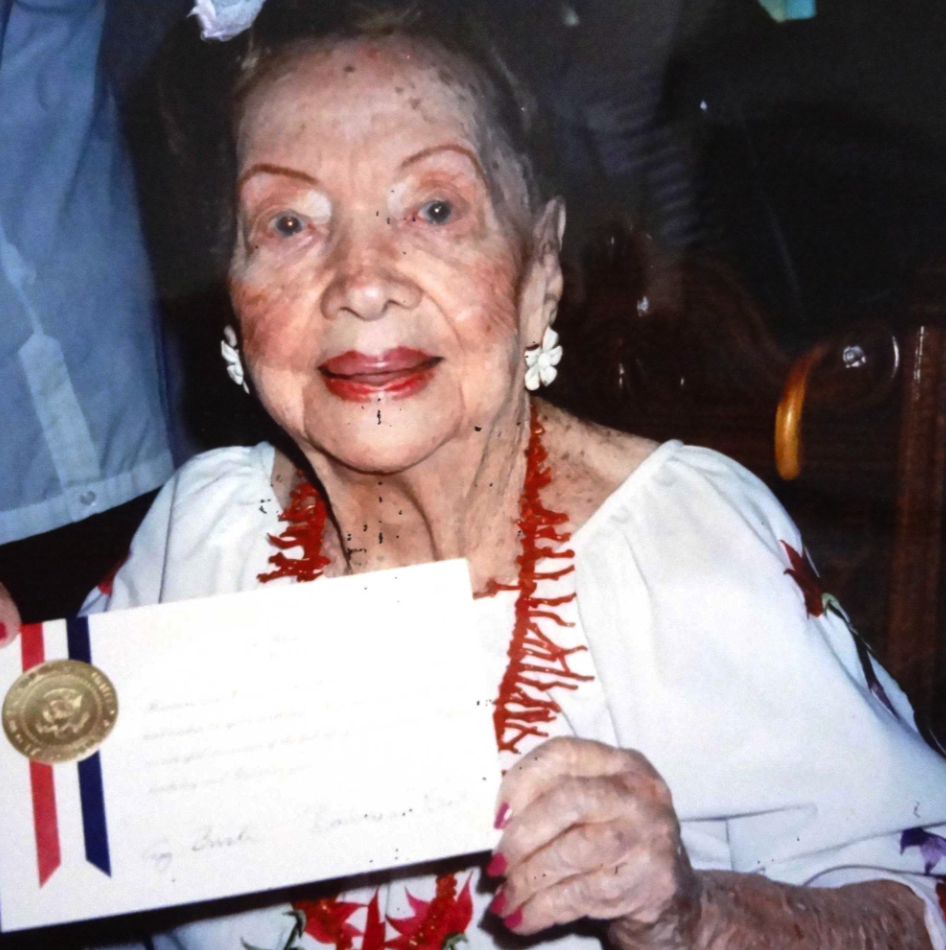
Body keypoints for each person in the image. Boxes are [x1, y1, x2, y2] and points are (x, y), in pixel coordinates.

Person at [6, 2, 946, 948]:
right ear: (234, 298)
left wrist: (695, 917)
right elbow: (65, 864)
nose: (363, 282)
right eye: (288, 223)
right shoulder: (201, 535)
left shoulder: (683, 552)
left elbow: (922, 900)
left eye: (435, 210)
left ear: (540, 272)